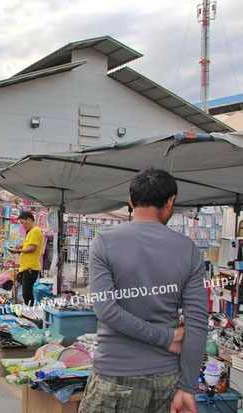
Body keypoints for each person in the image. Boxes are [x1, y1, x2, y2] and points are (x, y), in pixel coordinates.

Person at [79, 169, 207, 413]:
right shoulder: (188, 250)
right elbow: (198, 323)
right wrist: (188, 386)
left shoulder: (104, 243)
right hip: (166, 381)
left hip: (115, 377)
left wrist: (167, 338)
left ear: (130, 200)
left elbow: (106, 311)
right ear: (171, 202)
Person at [8, 211, 43, 306]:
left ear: (29, 220)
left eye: (23, 223)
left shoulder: (35, 231)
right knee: (26, 292)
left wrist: (19, 251)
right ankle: (29, 310)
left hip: (30, 267)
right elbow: (29, 244)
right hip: (27, 267)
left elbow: (32, 248)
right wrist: (21, 245)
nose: (23, 225)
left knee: (27, 293)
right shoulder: (32, 231)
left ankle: (30, 311)